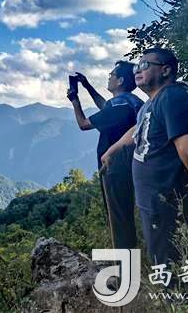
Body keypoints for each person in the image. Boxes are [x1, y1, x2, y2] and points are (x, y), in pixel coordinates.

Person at [101, 48, 188, 266]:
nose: (137, 70)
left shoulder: (172, 96)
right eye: (137, 67)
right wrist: (114, 149)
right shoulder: (151, 103)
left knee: (171, 262)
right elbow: (138, 128)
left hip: (167, 201)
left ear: (165, 70)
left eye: (145, 65)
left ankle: (180, 290)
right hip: (154, 202)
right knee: (162, 257)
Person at [66, 61, 143, 249]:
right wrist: (87, 86)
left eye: (111, 75)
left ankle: (126, 262)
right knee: (128, 211)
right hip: (134, 163)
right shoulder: (132, 102)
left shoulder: (119, 106)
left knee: (118, 218)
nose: (109, 77)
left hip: (115, 166)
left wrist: (75, 100)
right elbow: (105, 107)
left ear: (120, 80)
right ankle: (135, 255)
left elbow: (84, 124)